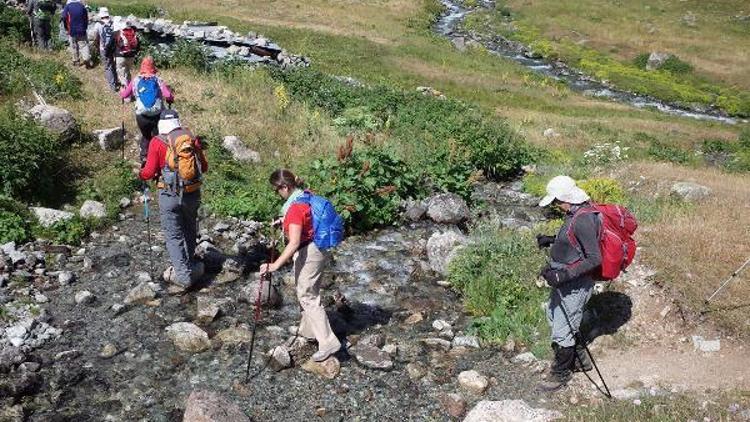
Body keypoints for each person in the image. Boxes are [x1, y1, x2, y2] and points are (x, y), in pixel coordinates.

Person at [260, 170, 342, 362]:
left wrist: (275, 265)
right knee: (304, 289)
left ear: (285, 187)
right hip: (318, 246)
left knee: (307, 295)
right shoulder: (304, 196)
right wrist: (283, 221)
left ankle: (328, 342)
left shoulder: (294, 208)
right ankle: (308, 330)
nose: (277, 194)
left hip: (310, 250)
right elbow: (307, 219)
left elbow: (294, 242)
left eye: (276, 190)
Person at [536, 175, 601, 392]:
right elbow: (575, 241)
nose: (555, 205)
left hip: (575, 283)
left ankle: (560, 374)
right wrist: (553, 239)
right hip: (565, 280)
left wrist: (563, 276)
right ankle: (581, 361)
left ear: (565, 198)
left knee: (562, 329)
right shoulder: (576, 213)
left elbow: (594, 258)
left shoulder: (583, 218)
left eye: (555, 201)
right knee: (554, 317)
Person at [139, 109, 207, 288]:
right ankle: (190, 265)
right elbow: (204, 167)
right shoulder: (191, 138)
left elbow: (148, 173)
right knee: (190, 229)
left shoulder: (157, 142)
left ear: (161, 124)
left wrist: (141, 172)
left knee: (173, 235)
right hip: (192, 193)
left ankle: (184, 277)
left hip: (169, 195)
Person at [120, 56, 174, 165]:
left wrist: (121, 91)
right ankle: (159, 157)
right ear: (153, 67)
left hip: (142, 116)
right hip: (157, 114)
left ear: (142, 67)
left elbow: (125, 95)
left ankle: (144, 157)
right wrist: (170, 98)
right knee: (158, 136)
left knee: (146, 136)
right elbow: (168, 95)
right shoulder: (158, 79)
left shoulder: (135, 80)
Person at [93, 7, 116, 91]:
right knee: (113, 64)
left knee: (108, 67)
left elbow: (95, 37)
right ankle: (115, 81)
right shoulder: (113, 23)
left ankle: (112, 86)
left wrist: (96, 46)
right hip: (113, 48)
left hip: (104, 48)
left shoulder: (98, 24)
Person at [61, 0, 90, 67]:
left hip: (72, 30)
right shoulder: (82, 6)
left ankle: (76, 61)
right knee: (84, 45)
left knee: (74, 46)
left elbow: (64, 16)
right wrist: (85, 27)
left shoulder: (67, 6)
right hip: (82, 30)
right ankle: (86, 59)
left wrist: (66, 27)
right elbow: (86, 18)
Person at [113, 20, 139, 88]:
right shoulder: (134, 32)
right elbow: (138, 45)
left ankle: (125, 88)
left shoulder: (118, 32)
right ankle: (130, 87)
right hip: (131, 55)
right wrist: (134, 53)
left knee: (121, 73)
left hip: (120, 55)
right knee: (128, 72)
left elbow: (111, 44)